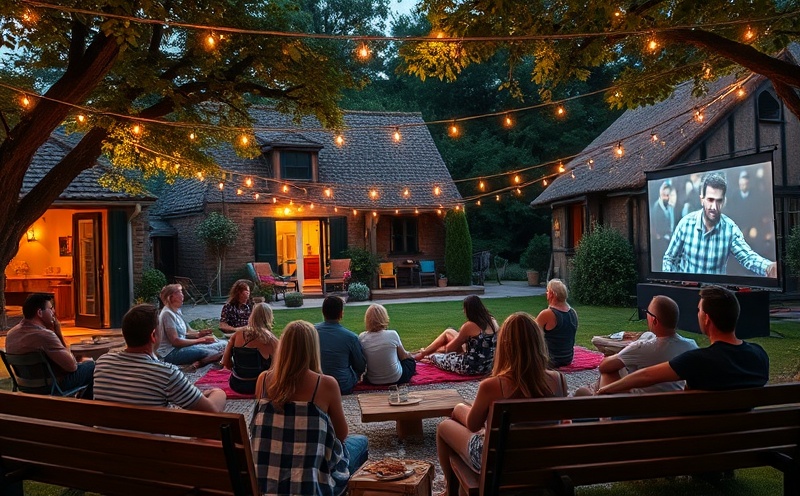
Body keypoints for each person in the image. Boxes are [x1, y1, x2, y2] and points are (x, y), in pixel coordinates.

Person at [435, 312, 567, 493]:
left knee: (444, 427)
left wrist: (459, 409)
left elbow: (473, 425)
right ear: (539, 342)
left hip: (498, 462)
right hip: (542, 459)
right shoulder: (558, 380)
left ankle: (450, 490)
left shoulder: (492, 386)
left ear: (505, 345)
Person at [251, 320, 368, 496]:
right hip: (312, 485)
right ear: (313, 348)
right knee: (360, 442)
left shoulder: (263, 380)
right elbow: (342, 434)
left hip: (266, 484)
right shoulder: (325, 384)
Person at [598, 285, 769, 394]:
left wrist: (604, 391)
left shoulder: (698, 360)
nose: (698, 314)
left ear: (707, 319)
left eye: (699, 310)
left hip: (699, 442)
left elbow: (647, 376)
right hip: (742, 441)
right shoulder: (760, 355)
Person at [93, 304, 226, 411]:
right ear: (153, 335)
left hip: (105, 443)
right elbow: (211, 410)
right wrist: (218, 392)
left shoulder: (103, 362)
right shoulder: (167, 373)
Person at [575, 295, 698, 396]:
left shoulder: (645, 347)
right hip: (672, 407)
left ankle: (600, 405)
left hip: (638, 408)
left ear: (654, 320)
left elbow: (604, 366)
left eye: (647, 313)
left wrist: (626, 351)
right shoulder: (691, 346)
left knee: (608, 371)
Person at [663, 172, 777, 277]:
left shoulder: (730, 229)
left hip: (715, 295)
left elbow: (748, 257)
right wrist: (674, 285)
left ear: (724, 201)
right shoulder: (686, 224)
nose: (714, 207)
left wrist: (769, 267)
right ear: (702, 200)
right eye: (710, 200)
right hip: (689, 293)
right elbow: (669, 258)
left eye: (718, 201)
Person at [5, 293, 94, 398]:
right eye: (51, 308)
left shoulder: (11, 334)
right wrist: (58, 333)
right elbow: (72, 366)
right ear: (39, 312)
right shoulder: (46, 336)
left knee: (85, 362)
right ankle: (86, 407)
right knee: (94, 366)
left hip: (25, 385)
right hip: (52, 386)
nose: (54, 312)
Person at [414, 295, 498, 376]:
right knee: (449, 331)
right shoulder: (492, 321)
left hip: (471, 367)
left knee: (435, 357)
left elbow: (450, 348)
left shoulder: (469, 326)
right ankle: (425, 352)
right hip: (488, 366)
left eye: (464, 309)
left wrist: (438, 351)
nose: (463, 312)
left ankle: (426, 354)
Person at [157, 284, 227, 370]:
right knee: (213, 351)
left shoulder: (176, 311)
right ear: (172, 297)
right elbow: (175, 341)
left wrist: (200, 334)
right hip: (171, 353)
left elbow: (185, 333)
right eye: (180, 292)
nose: (183, 295)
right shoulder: (167, 314)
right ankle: (199, 364)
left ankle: (201, 361)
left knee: (224, 344)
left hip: (182, 347)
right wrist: (200, 340)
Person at [221, 302, 278, 394]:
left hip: (236, 384)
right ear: (269, 317)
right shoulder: (271, 340)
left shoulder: (237, 335)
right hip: (261, 386)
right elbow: (278, 368)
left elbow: (226, 363)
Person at [315, 296, 366, 395]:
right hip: (343, 385)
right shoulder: (351, 337)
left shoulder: (310, 332)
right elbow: (360, 366)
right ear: (341, 314)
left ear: (323, 312)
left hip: (317, 384)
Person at [358, 304, 416, 385]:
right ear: (384, 317)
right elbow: (403, 356)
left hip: (373, 380)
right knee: (410, 362)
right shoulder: (392, 334)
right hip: (396, 378)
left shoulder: (362, 337)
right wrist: (414, 355)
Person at [535, 279, 578, 368]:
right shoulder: (573, 313)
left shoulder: (547, 314)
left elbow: (532, 335)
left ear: (551, 294)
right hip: (567, 358)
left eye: (547, 291)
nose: (546, 294)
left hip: (550, 360)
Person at [651, 180, 676, 266]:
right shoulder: (655, 208)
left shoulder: (670, 208)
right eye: (665, 195)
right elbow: (655, 229)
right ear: (660, 193)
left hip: (669, 244)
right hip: (659, 246)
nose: (667, 197)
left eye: (668, 195)